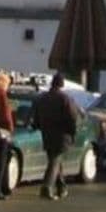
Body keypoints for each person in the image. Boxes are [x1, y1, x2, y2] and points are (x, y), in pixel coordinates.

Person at [30, 72, 77, 201]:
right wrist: (73, 133)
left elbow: (36, 117)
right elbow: (72, 118)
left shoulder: (42, 98)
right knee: (55, 161)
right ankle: (46, 187)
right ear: (61, 84)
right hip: (61, 134)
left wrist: (38, 126)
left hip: (47, 133)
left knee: (55, 160)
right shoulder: (64, 98)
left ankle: (62, 187)